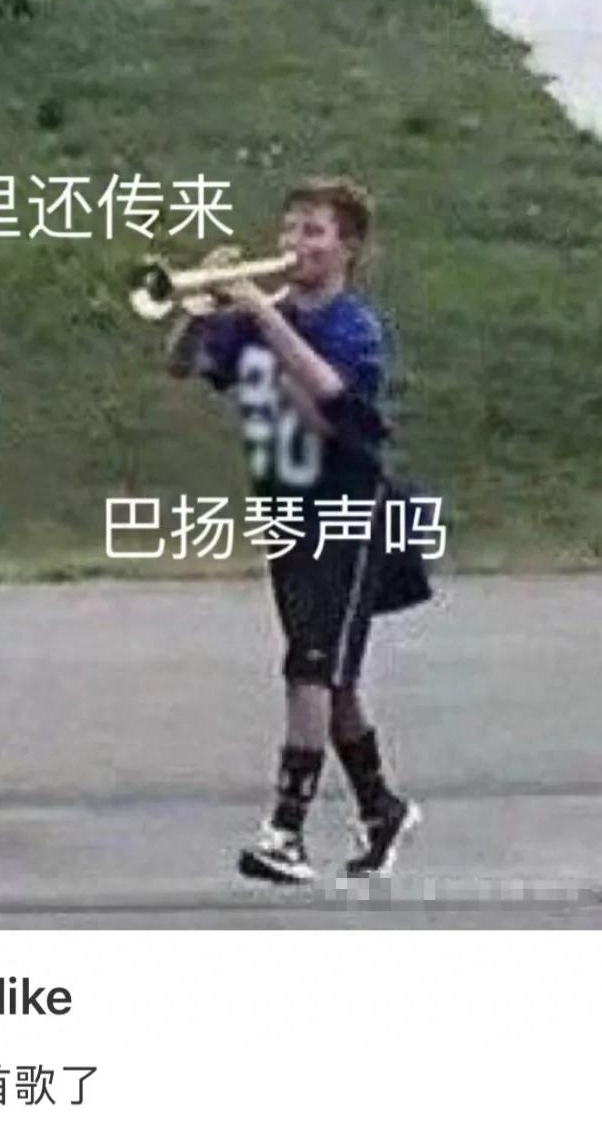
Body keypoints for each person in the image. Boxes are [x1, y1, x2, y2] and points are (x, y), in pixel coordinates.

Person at [166, 177, 425, 883]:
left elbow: (334, 401)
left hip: (348, 509)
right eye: (289, 229)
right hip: (285, 509)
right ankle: (380, 806)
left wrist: (261, 312)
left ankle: (285, 831)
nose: (293, 243)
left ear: (348, 247)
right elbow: (182, 365)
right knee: (330, 679)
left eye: (313, 231)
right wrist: (197, 308)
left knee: (309, 667)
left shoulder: (353, 326)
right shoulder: (261, 317)